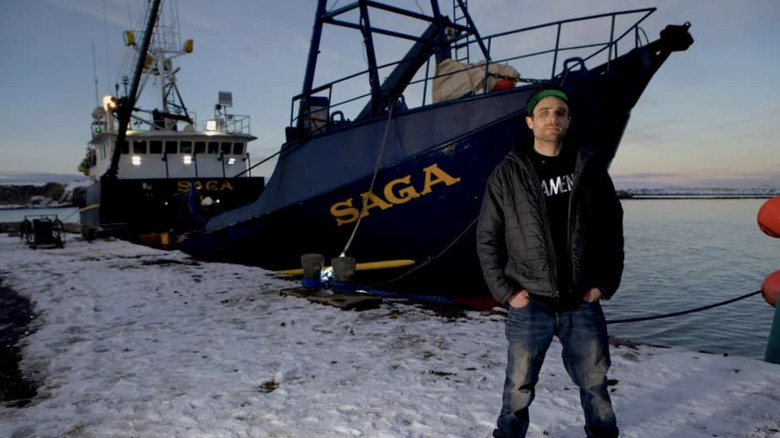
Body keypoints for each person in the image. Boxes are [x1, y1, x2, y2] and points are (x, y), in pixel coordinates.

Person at [477, 86, 624, 438]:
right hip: (530, 301)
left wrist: (604, 283)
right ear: (530, 122)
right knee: (519, 385)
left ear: (569, 120)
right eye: (543, 112)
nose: (552, 118)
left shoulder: (589, 169)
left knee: (594, 382)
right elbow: (487, 239)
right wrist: (507, 293)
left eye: (559, 112)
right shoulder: (507, 174)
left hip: (581, 300)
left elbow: (611, 230)